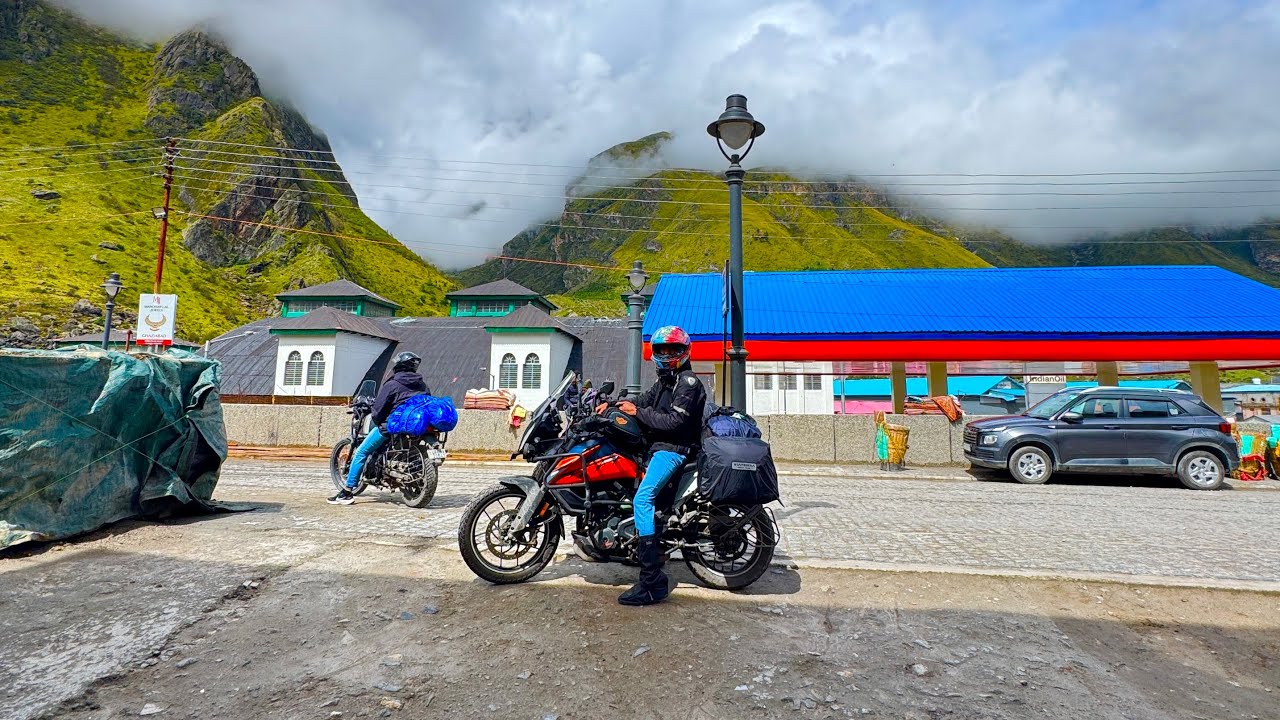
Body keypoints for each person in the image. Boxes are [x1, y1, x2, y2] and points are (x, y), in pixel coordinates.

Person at [615, 325, 706, 606]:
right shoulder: (667, 381)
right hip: (658, 447)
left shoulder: (687, 383)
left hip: (673, 450)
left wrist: (638, 412)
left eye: (673, 349)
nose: (666, 355)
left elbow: (674, 423)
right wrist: (612, 405)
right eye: (661, 350)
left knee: (643, 499)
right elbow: (642, 401)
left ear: (684, 351)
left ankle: (652, 581)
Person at [327, 351, 430, 505]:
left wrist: (378, 416)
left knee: (362, 451)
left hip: (391, 427)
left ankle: (346, 493)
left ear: (398, 366)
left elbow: (377, 411)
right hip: (416, 426)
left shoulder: (392, 384)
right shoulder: (423, 385)